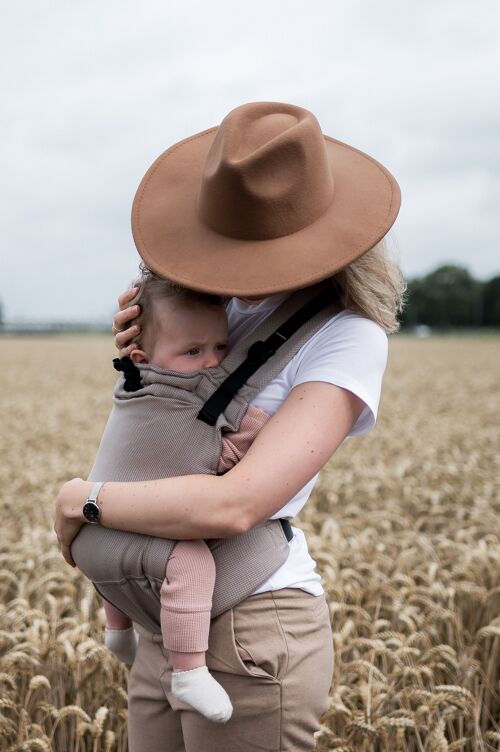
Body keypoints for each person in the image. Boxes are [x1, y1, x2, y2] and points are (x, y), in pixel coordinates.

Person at [54, 101, 405, 751]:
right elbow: (153, 438)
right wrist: (142, 361)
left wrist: (84, 502)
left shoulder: (346, 336)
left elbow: (236, 504)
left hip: (252, 625)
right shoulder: (196, 305)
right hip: (162, 623)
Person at [102, 264, 271, 723]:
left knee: (116, 551)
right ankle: (189, 670)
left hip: (102, 519)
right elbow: (213, 459)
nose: (214, 362)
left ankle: (116, 628)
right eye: (193, 351)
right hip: (130, 516)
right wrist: (249, 434)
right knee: (191, 559)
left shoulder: (141, 381)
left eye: (221, 347)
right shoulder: (170, 396)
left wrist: (82, 500)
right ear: (140, 357)